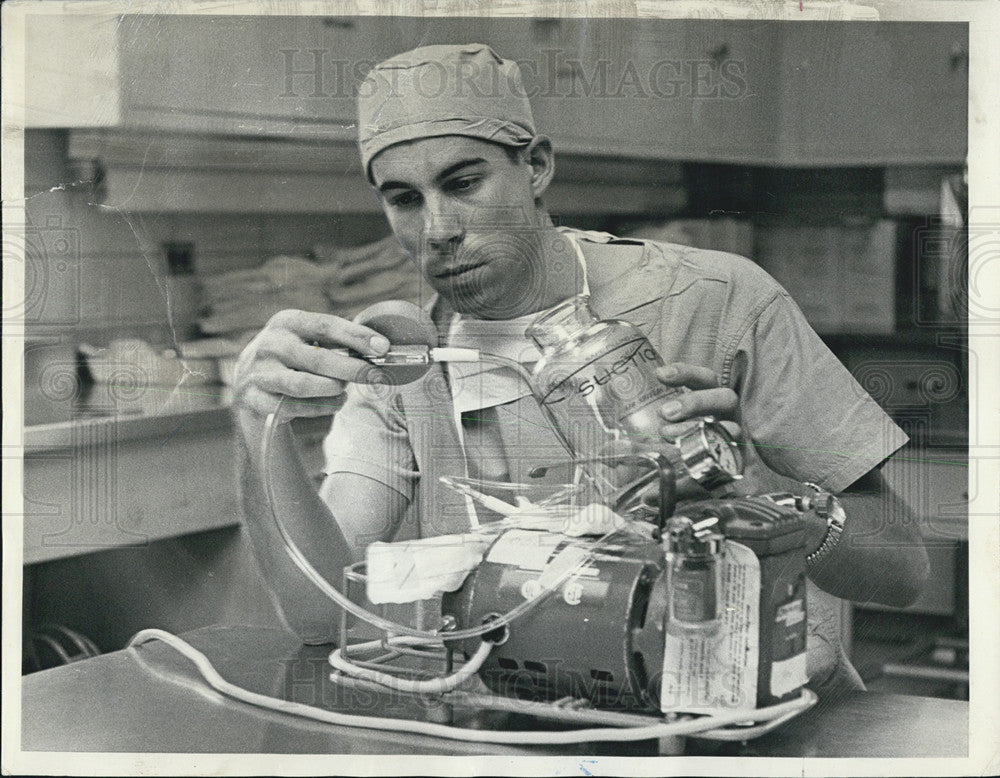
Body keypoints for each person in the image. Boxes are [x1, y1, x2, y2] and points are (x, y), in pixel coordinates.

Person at [233, 43, 929, 694]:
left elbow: (903, 568)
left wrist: (756, 496)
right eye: (404, 199)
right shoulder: (406, 359)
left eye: (464, 183)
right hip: (531, 719)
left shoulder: (719, 303)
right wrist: (252, 422)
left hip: (746, 715)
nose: (438, 229)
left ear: (536, 166)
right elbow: (322, 614)